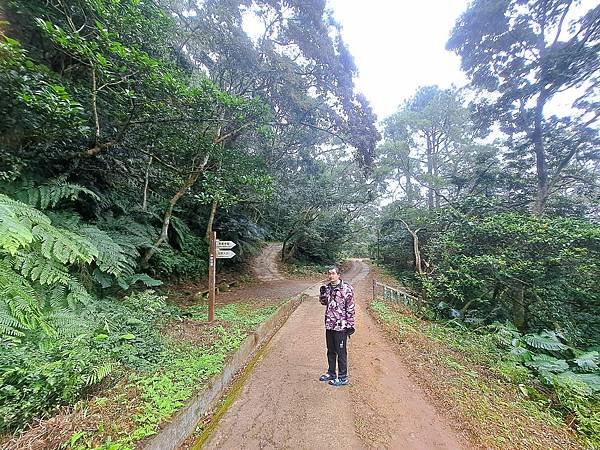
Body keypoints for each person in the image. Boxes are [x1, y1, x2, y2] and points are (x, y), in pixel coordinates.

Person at [318, 266, 355, 386]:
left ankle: (343, 377)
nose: (330, 276)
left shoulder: (346, 289)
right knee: (330, 350)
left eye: (333, 273)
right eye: (329, 274)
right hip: (329, 324)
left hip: (341, 326)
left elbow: (350, 308)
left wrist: (350, 325)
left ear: (339, 275)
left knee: (341, 352)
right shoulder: (327, 288)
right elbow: (324, 303)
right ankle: (331, 373)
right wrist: (322, 294)